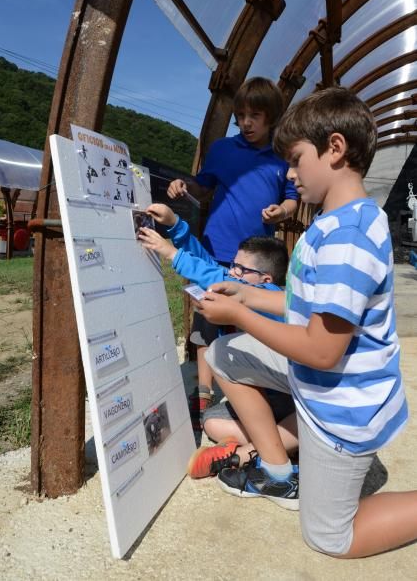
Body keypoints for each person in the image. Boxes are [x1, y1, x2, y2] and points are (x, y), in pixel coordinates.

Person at [190, 87, 417, 558]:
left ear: (335, 148)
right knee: (222, 354)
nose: (289, 175)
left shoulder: (346, 237)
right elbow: (303, 302)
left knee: (331, 536)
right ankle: (277, 470)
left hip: (342, 403)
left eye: (295, 160)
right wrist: (247, 293)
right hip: (321, 382)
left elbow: (321, 349)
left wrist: (238, 315)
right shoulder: (334, 222)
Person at [167, 77, 298, 424]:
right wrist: (185, 185)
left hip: (254, 260)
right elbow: (203, 187)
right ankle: (204, 394)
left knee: (249, 321)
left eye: (255, 115)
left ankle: (251, 391)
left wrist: (281, 212)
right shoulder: (222, 150)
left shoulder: (282, 156)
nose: (246, 123)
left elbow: (293, 199)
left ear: (272, 117)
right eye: (240, 115)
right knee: (206, 317)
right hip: (216, 246)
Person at [139, 202, 296, 435]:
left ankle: (274, 442)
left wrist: (171, 253)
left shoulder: (272, 296)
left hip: (283, 397)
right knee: (212, 422)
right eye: (233, 265)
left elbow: (215, 274)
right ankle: (273, 437)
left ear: (266, 279)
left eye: (241, 270)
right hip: (256, 393)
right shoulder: (242, 283)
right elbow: (210, 265)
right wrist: (175, 225)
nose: (232, 272)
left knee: (216, 426)